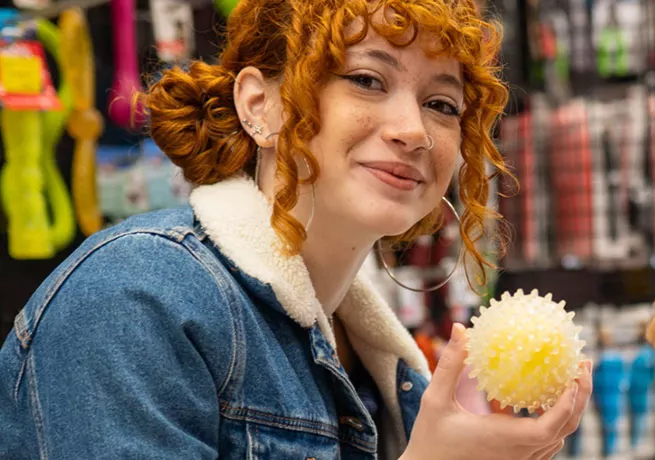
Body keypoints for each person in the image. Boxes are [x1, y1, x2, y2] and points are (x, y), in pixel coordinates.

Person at [0, 0, 593, 458]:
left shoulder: (391, 373)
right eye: (367, 79)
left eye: (443, 105)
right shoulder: (136, 298)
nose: (413, 129)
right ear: (261, 105)